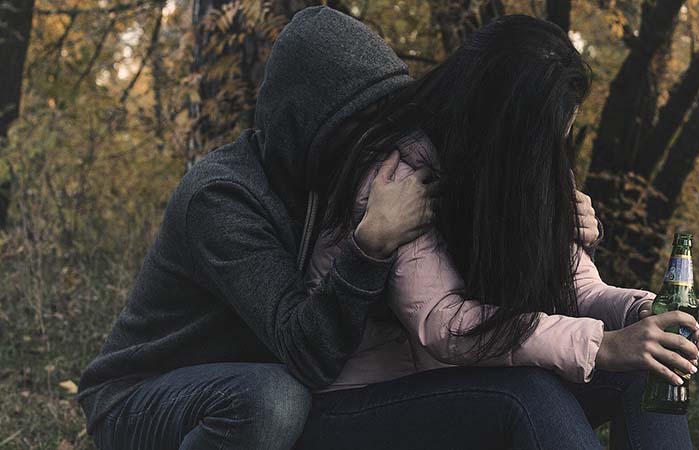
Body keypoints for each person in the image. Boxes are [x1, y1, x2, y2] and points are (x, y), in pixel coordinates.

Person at [297, 15, 699, 450]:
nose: (553, 153)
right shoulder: (398, 174)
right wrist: (601, 346)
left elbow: (578, 288)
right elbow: (443, 322)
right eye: (547, 137)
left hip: (470, 384)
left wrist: (642, 314)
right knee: (530, 396)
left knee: (649, 363)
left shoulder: (530, 164)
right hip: (362, 404)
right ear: (507, 126)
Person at [77, 7, 438, 450]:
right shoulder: (221, 197)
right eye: (358, 119)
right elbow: (308, 353)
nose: (373, 138)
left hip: (245, 381)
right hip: (140, 397)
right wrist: (371, 245)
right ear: (306, 119)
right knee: (274, 402)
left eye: (384, 117)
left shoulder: (321, 186)